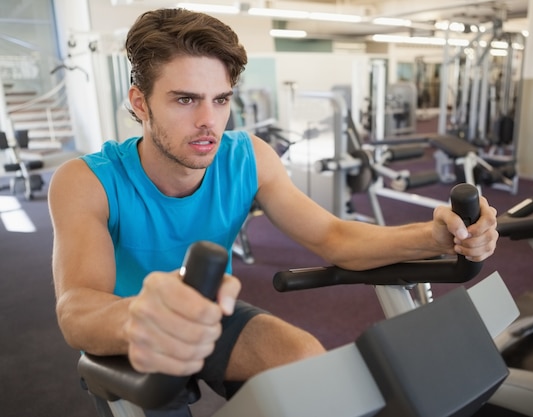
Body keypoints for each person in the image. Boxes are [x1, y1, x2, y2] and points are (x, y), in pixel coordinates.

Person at [48, 7, 498, 415]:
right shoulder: (86, 182)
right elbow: (77, 307)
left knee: (307, 365)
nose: (209, 119)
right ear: (140, 102)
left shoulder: (249, 158)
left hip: (210, 312)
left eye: (220, 99)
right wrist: (137, 317)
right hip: (130, 328)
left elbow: (334, 237)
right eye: (186, 99)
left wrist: (437, 237)